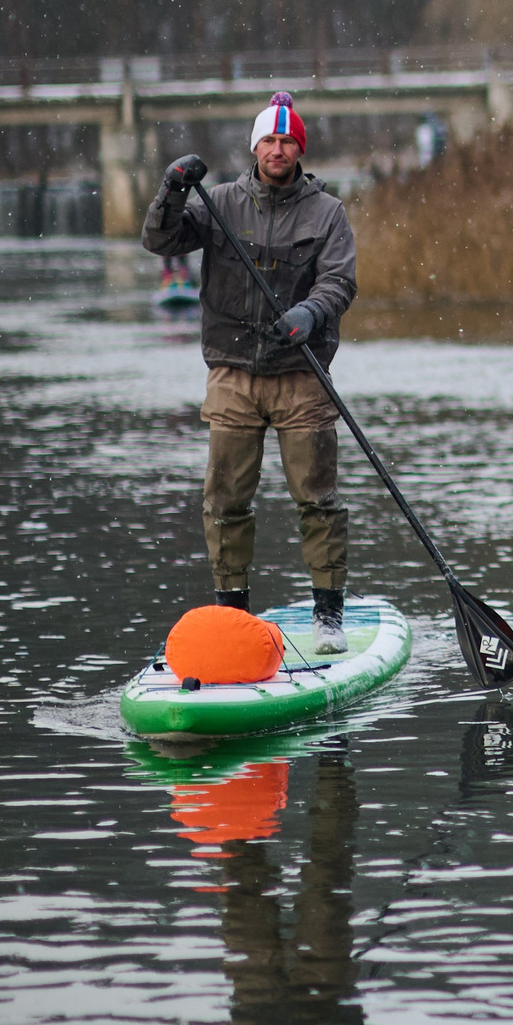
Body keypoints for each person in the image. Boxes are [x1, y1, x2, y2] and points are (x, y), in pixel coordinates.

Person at [143, 92, 360, 653]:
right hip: (233, 375)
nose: (278, 150)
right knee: (225, 500)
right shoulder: (217, 202)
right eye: (269, 140)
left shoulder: (327, 213)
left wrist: (310, 313)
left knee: (317, 498)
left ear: (300, 150)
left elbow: (339, 282)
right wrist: (170, 189)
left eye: (288, 141)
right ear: (255, 147)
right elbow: (159, 240)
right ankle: (232, 614)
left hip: (301, 374)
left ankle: (328, 616)